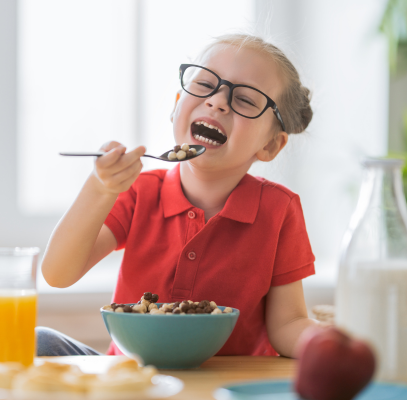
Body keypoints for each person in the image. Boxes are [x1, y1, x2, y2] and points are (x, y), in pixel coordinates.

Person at [37, 33, 319, 358]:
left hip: (223, 386)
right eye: (203, 85)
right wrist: (99, 189)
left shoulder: (278, 210)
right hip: (131, 382)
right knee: (41, 342)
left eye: (245, 99)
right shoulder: (139, 192)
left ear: (270, 145)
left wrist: (329, 344)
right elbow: (57, 273)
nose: (217, 101)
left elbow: (287, 325)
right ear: (176, 106)